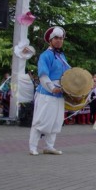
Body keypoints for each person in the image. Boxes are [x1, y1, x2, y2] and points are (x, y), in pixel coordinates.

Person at [29, 26, 70, 156]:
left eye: (61, 38)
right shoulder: (45, 56)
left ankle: (49, 146)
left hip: (59, 94)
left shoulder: (62, 56)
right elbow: (43, 74)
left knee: (56, 121)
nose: (59, 40)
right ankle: (33, 147)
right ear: (50, 40)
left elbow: (68, 74)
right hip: (47, 93)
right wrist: (52, 88)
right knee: (41, 120)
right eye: (56, 38)